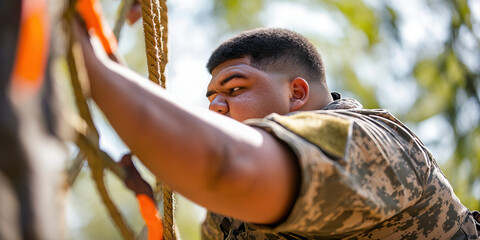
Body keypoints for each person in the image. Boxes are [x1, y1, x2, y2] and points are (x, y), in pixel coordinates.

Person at [73, 21, 479, 239]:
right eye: (211, 95)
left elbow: (226, 168)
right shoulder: (225, 217)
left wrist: (91, 63)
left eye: (234, 88)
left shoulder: (370, 141)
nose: (215, 105)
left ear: (297, 94)